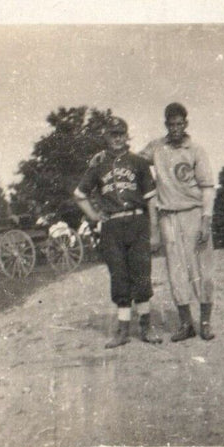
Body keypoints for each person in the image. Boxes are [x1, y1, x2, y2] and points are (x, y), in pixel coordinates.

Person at [74, 117, 162, 348]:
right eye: (113, 134)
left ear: (126, 136)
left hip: (137, 222)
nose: (117, 138)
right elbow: (79, 195)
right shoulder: (98, 165)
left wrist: (154, 232)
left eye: (121, 133)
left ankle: (146, 326)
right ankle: (122, 330)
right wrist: (94, 216)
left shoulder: (138, 163)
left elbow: (151, 200)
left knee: (141, 274)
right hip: (112, 227)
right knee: (119, 277)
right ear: (106, 137)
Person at [140, 102, 216, 342]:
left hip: (193, 212)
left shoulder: (195, 150)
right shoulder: (157, 148)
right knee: (176, 271)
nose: (175, 128)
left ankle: (205, 323)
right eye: (171, 124)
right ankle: (186, 324)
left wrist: (206, 219)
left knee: (202, 269)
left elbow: (207, 188)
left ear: (185, 124)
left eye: (179, 124)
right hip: (167, 216)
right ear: (166, 125)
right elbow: (135, 162)